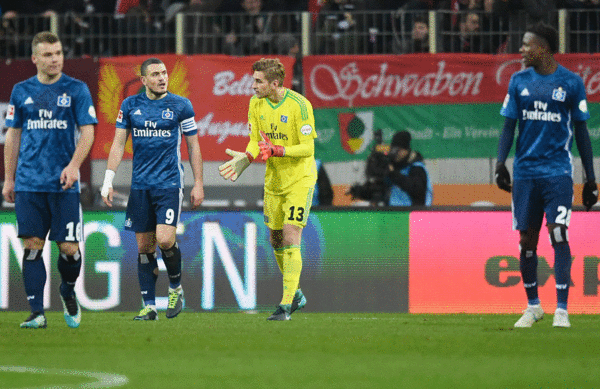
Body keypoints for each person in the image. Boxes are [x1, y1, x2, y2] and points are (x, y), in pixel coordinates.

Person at [495, 22, 598, 328]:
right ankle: (533, 306)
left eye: (526, 45)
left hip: (557, 173)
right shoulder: (517, 81)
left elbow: (581, 132)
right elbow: (508, 126)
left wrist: (591, 179)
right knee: (527, 240)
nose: (522, 50)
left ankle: (562, 310)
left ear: (543, 48)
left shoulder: (571, 82)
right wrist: (500, 163)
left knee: (558, 233)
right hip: (525, 174)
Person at [2, 31, 97, 329]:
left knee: (69, 248)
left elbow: (88, 131)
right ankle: (36, 312)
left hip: (63, 184)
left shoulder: (77, 89)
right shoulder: (21, 91)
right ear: (34, 59)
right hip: (29, 182)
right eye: (48, 54)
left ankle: (67, 290)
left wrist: (73, 165)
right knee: (32, 246)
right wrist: (9, 178)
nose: (55, 59)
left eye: (58, 53)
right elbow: (13, 135)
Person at [100, 57, 204, 321]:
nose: (162, 78)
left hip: (169, 184)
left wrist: (198, 183)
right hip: (140, 186)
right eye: (155, 74)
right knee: (144, 248)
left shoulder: (181, 105)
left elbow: (193, 146)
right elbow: (117, 143)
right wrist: (107, 179)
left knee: (165, 239)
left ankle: (175, 287)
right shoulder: (130, 105)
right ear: (143, 80)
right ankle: (149, 306)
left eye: (164, 73)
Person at [219, 58, 316, 321]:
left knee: (290, 235)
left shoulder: (300, 106)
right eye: (253, 80)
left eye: (258, 81)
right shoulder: (256, 104)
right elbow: (254, 142)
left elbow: (308, 148)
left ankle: (285, 306)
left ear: (274, 83)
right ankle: (295, 293)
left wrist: (278, 150)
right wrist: (246, 159)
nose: (253, 86)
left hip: (299, 180)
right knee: (274, 239)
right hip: (274, 181)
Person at [386, 130, 433, 206]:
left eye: (399, 150)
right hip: (394, 213)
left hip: (413, 214)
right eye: (394, 150)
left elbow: (416, 189)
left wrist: (393, 174)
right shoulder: (394, 166)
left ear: (406, 150)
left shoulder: (417, 167)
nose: (397, 153)